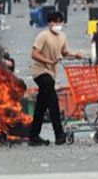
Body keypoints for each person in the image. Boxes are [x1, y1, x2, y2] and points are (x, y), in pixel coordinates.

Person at [29, 11, 84, 146]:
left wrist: (75, 55)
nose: (57, 24)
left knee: (41, 106)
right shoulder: (43, 36)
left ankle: (33, 136)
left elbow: (64, 53)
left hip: (51, 74)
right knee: (53, 101)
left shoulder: (62, 36)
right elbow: (34, 53)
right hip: (40, 72)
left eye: (59, 22)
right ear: (49, 23)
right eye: (54, 22)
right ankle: (59, 134)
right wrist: (47, 61)